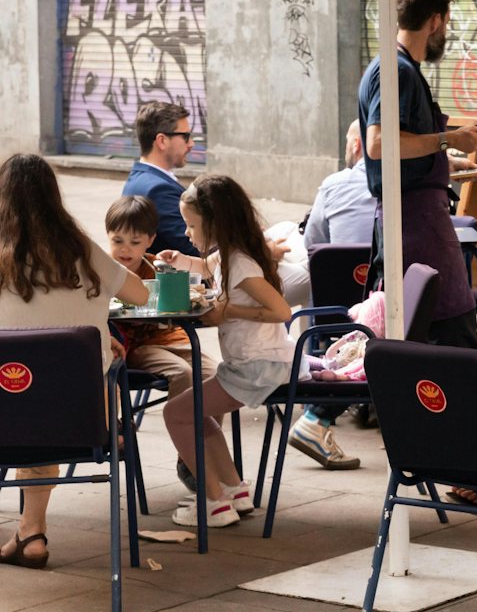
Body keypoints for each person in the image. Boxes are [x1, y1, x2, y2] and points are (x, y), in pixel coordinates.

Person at [0, 154, 148, 569]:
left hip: (6, 413)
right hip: (83, 423)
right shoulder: (81, 251)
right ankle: (30, 534)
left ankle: (31, 535)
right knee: (47, 395)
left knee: (26, 391)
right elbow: (140, 295)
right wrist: (99, 336)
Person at [358, 0, 477, 349]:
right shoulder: (396, 70)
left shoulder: (397, 67)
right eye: (446, 23)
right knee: (451, 326)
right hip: (415, 225)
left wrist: (445, 160)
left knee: (420, 329)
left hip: (413, 219)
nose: (444, 32)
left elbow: (404, 146)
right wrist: (448, 138)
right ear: (435, 20)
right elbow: (380, 144)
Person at [156, 175, 295, 527]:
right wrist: (181, 260)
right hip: (256, 364)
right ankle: (234, 491)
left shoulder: (242, 266)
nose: (187, 233)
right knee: (197, 414)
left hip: (257, 366)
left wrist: (228, 311)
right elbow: (207, 266)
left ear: (215, 222)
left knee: (176, 414)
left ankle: (212, 502)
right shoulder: (230, 256)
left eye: (191, 225)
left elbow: (282, 311)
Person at [103, 195, 220, 394]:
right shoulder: (103, 270)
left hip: (174, 338)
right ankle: (180, 423)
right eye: (117, 240)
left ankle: (201, 426)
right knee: (182, 373)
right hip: (138, 347)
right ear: (107, 235)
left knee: (216, 375)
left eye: (135, 242)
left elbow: (179, 302)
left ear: (150, 240)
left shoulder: (157, 269)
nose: (125, 248)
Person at [121, 101, 200, 259]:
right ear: (162, 141)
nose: (191, 143)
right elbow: (197, 246)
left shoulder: (144, 179)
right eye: (185, 136)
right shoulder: (158, 190)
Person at [304, 120, 377, 247]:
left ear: (356, 144)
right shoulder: (408, 186)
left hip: (340, 266)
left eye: (347, 141)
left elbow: (312, 243)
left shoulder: (332, 185)